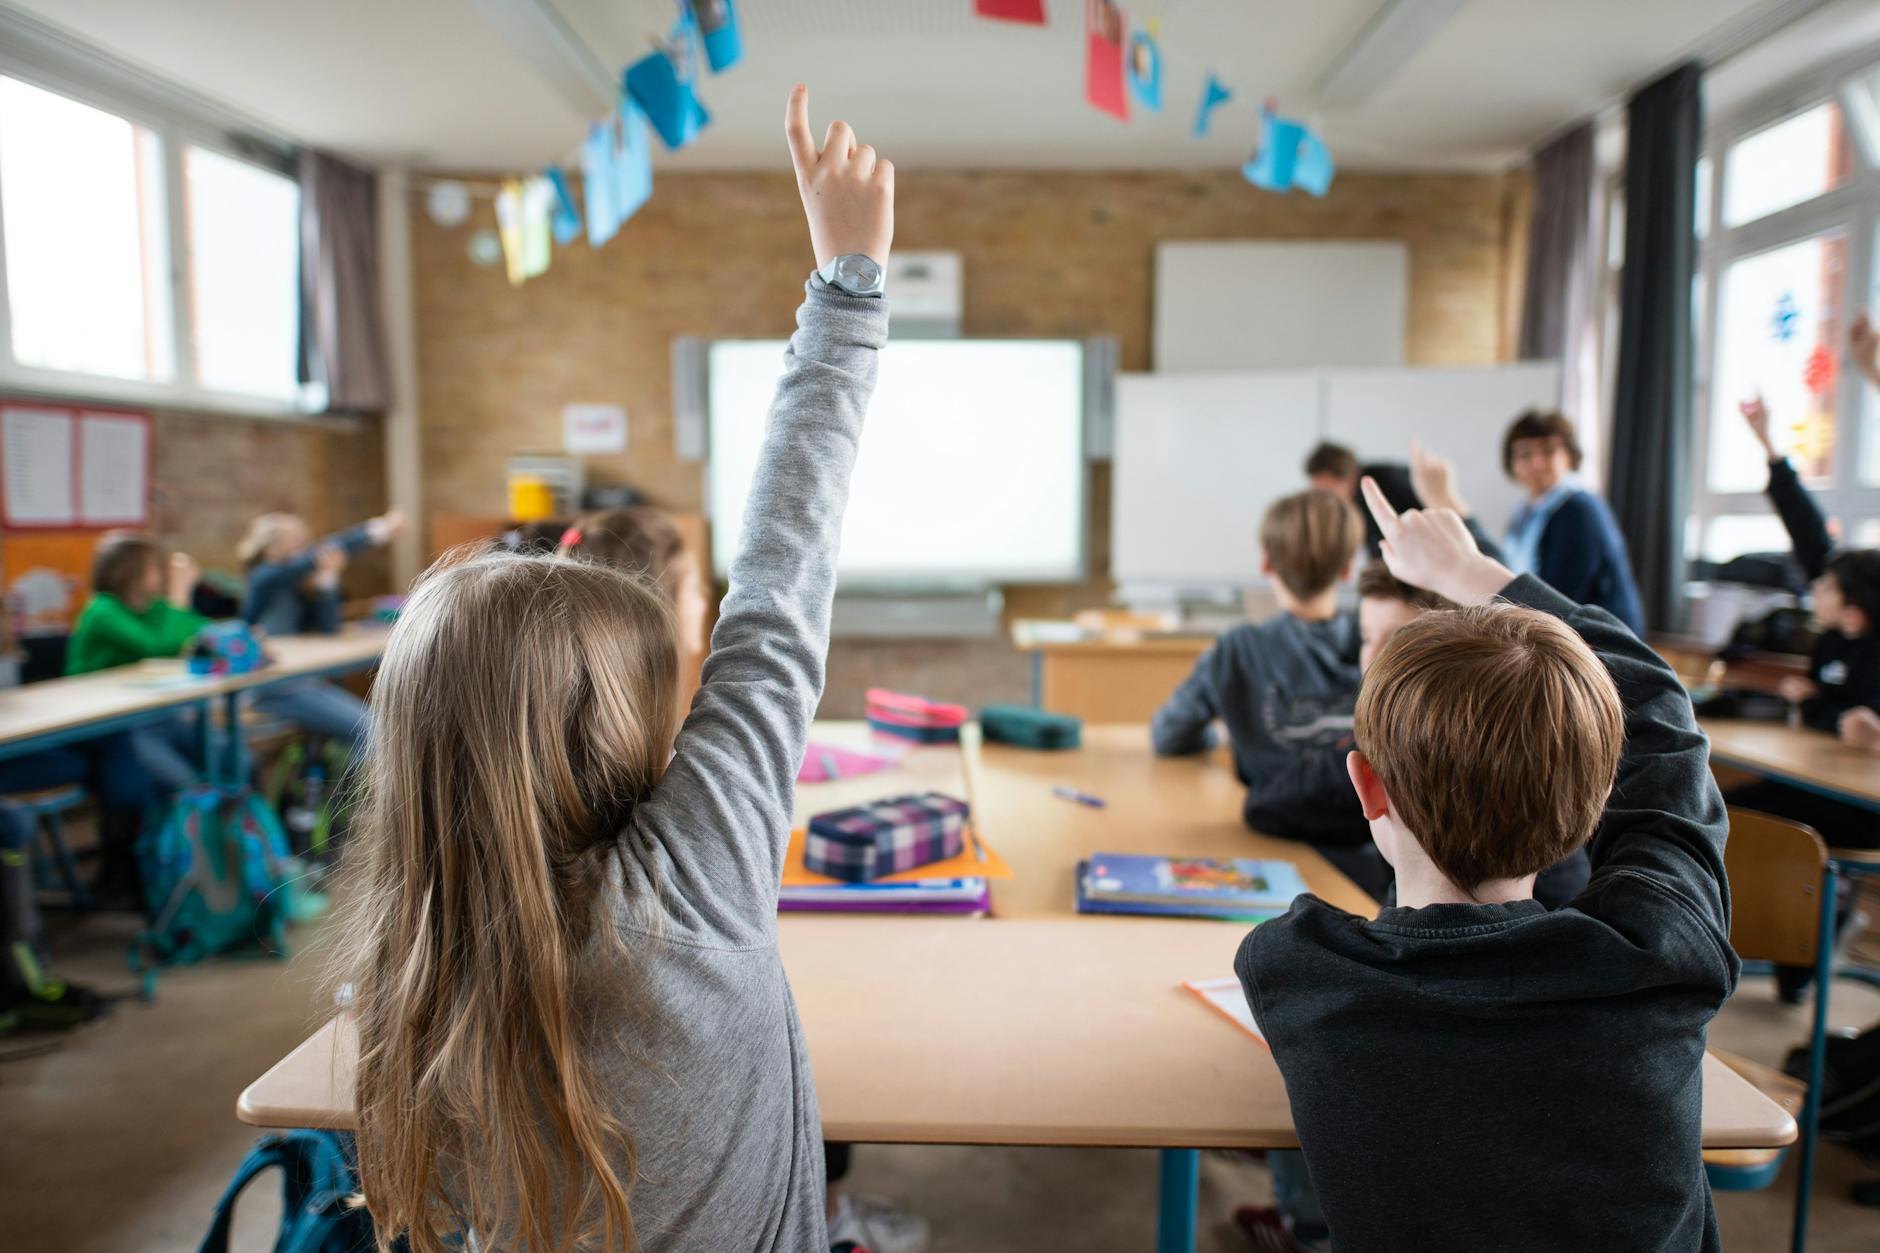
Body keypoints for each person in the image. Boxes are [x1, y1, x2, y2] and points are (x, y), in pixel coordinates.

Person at [338, 84, 893, 1253]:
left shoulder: (408, 959)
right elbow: (781, 588)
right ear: (614, 725)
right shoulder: (686, 888)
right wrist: (844, 283)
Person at [1238, 477, 1735, 1251]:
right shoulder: (1665, 955)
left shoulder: (1298, 973)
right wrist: (1477, 575)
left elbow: (1658, 720)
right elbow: (1664, 714)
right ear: (1603, 790)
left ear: (1365, 785)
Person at [557, 505, 927, 1252]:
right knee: (806, 1029)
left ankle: (834, 1204)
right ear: (662, 598)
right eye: (700, 587)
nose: (706, 602)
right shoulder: (675, 779)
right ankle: (834, 1213)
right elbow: (774, 626)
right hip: (689, 1050)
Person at [1151, 490, 1364, 838]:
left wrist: (1219, 736)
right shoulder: (1385, 645)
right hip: (1370, 853)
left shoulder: (1236, 649)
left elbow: (1168, 735)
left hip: (1274, 838)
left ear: (1265, 563)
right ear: (1346, 570)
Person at [237, 510, 405, 751]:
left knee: (373, 729)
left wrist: (328, 578)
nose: (306, 550)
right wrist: (377, 530)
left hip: (303, 680)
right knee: (374, 733)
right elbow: (315, 557)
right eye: (295, 542)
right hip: (275, 686)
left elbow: (329, 628)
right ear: (271, 549)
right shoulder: (263, 578)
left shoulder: (300, 586)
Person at [66, 532, 212, 793]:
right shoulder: (102, 610)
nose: (161, 574)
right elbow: (158, 647)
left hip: (148, 713)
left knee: (229, 756)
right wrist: (179, 593)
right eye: (153, 567)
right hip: (110, 724)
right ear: (128, 571)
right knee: (186, 782)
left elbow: (198, 629)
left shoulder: (148, 606)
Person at [1499, 409, 1646, 634]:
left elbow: (1558, 596)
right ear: (1512, 464)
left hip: (1601, 641)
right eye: (1525, 454)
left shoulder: (1578, 509)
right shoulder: (1525, 515)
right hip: (1569, 631)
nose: (1537, 463)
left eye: (1548, 451)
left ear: (1569, 456)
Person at [1304, 440, 1501, 560]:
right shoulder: (1352, 499)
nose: (1324, 497)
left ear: (1346, 476)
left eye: (1327, 488)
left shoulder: (1385, 483)